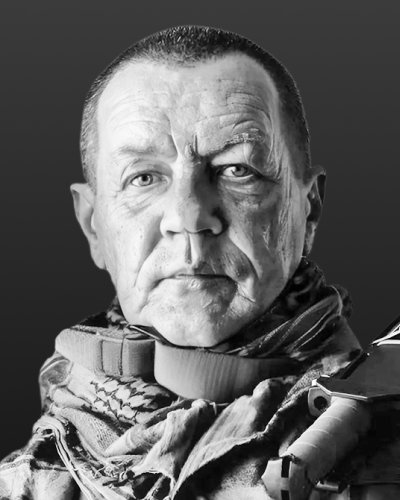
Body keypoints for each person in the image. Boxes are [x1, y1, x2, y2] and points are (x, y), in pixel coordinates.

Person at [1, 25, 399, 500]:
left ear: (307, 209)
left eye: (237, 170)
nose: (189, 218)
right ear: (93, 225)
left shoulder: (379, 439)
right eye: (143, 177)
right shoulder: (28, 479)